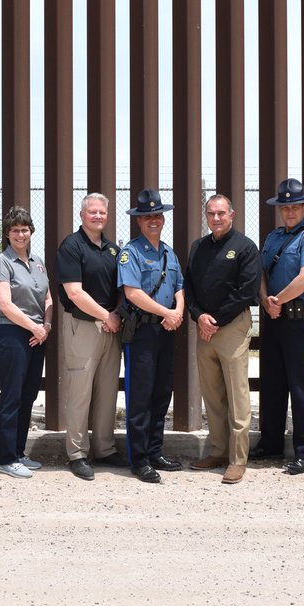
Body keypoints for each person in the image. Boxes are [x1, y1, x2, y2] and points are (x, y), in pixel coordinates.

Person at [253, 179, 304, 475]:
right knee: (272, 384)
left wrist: (278, 300)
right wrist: (264, 299)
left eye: (295, 205)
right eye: (285, 207)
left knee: (302, 386)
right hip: (273, 317)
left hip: (300, 320)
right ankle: (270, 443)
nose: (290, 211)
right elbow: (261, 271)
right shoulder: (272, 237)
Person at [184, 194, 261, 484]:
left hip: (231, 327)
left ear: (232, 215)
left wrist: (214, 320)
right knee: (212, 393)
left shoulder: (245, 247)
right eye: (211, 214)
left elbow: (247, 291)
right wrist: (198, 316)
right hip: (204, 327)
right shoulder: (198, 247)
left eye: (221, 213)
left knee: (237, 394)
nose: (216, 218)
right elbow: (188, 287)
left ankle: (237, 459)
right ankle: (217, 450)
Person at [55, 193, 128, 481]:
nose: (97, 216)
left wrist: (117, 315)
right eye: (92, 212)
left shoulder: (112, 249)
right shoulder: (71, 246)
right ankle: (77, 453)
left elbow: (122, 288)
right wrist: (106, 316)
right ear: (82, 215)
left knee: (107, 390)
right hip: (83, 325)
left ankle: (104, 448)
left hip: (111, 326)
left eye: (102, 212)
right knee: (80, 390)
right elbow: (74, 292)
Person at [118, 189, 186, 484]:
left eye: (157, 215)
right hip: (143, 331)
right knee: (141, 396)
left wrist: (178, 312)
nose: (153, 220)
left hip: (167, 330)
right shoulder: (130, 253)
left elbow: (180, 286)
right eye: (147, 216)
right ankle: (139, 459)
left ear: (163, 219)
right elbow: (132, 293)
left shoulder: (169, 252)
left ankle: (155, 450)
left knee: (162, 393)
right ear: (139, 221)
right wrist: (166, 312)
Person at [0, 206, 53, 479]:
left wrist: (46, 326)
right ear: (7, 233)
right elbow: (5, 304)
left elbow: (48, 298)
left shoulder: (38, 261)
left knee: (28, 394)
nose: (20, 234)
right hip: (10, 332)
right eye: (15, 230)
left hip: (36, 333)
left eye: (24, 229)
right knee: (12, 394)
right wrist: (35, 328)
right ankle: (5, 457)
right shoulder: (1, 262)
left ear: (31, 231)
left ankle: (18, 452)